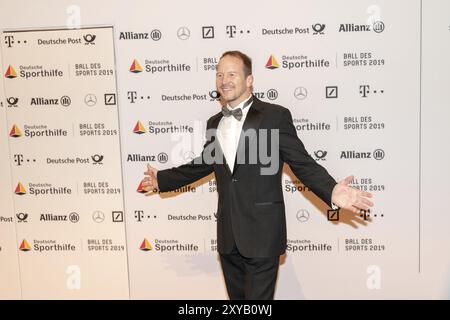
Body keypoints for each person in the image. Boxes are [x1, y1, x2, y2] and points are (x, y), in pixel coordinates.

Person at [140, 50, 374, 300]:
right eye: (219, 74)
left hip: (263, 235)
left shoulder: (275, 116)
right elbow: (203, 164)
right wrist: (163, 180)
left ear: (249, 80)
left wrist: (331, 189)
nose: (224, 80)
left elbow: (301, 162)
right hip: (228, 236)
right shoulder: (213, 122)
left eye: (231, 74)